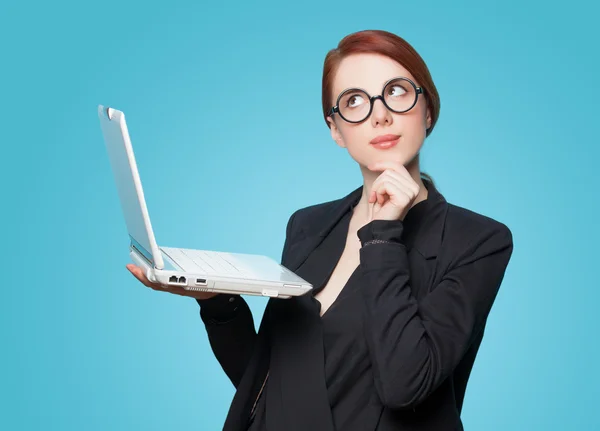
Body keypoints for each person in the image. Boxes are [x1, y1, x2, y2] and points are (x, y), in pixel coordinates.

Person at [127, 29, 514, 431]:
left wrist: (383, 232)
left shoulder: (479, 241)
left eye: (396, 91)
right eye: (354, 101)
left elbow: (404, 384)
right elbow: (270, 386)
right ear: (336, 130)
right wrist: (216, 303)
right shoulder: (309, 225)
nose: (379, 114)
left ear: (427, 110)